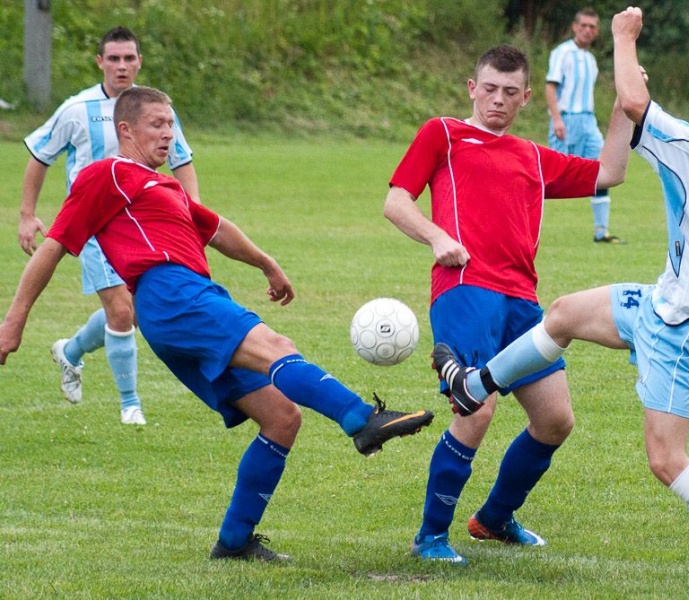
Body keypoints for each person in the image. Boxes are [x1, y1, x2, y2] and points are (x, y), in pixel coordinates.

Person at [434, 8, 689, 597]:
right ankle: (476, 384)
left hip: (680, 328)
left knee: (666, 460)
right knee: (563, 313)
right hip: (665, 305)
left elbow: (634, 102)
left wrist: (623, 36)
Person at [0, 86, 434, 561]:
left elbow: (217, 229)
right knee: (275, 344)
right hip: (169, 292)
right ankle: (361, 419)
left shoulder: (161, 185)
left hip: (177, 302)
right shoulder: (108, 174)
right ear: (125, 130)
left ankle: (234, 542)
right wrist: (13, 321)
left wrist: (267, 263)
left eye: (171, 125)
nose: (168, 134)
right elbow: (55, 244)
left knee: (281, 418)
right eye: (156, 125)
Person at [384, 44, 632, 564]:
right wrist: (435, 238)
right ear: (472, 88)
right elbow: (396, 201)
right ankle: (430, 537)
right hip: (465, 288)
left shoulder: (533, 158)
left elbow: (610, 171)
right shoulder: (444, 134)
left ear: (524, 100)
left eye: (510, 92)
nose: (497, 100)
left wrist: (623, 105)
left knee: (555, 420)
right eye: (489, 89)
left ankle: (494, 519)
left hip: (522, 300)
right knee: (477, 407)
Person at [20, 26, 201, 425]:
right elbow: (40, 155)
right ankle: (130, 406)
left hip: (145, 226)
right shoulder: (76, 108)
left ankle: (71, 351)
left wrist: (192, 213)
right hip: (93, 229)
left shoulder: (154, 109)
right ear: (100, 62)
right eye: (114, 59)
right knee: (121, 311)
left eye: (129, 58)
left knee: (135, 310)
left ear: (139, 62)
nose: (122, 66)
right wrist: (27, 214)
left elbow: (181, 160)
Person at [546, 7, 624, 244]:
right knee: (551, 176)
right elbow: (550, 86)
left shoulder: (590, 59)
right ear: (574, 27)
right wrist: (557, 118)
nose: (587, 30)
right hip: (567, 119)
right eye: (584, 25)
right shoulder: (562, 53)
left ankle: (601, 231)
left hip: (588, 121)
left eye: (592, 27)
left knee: (603, 168)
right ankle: (524, 223)